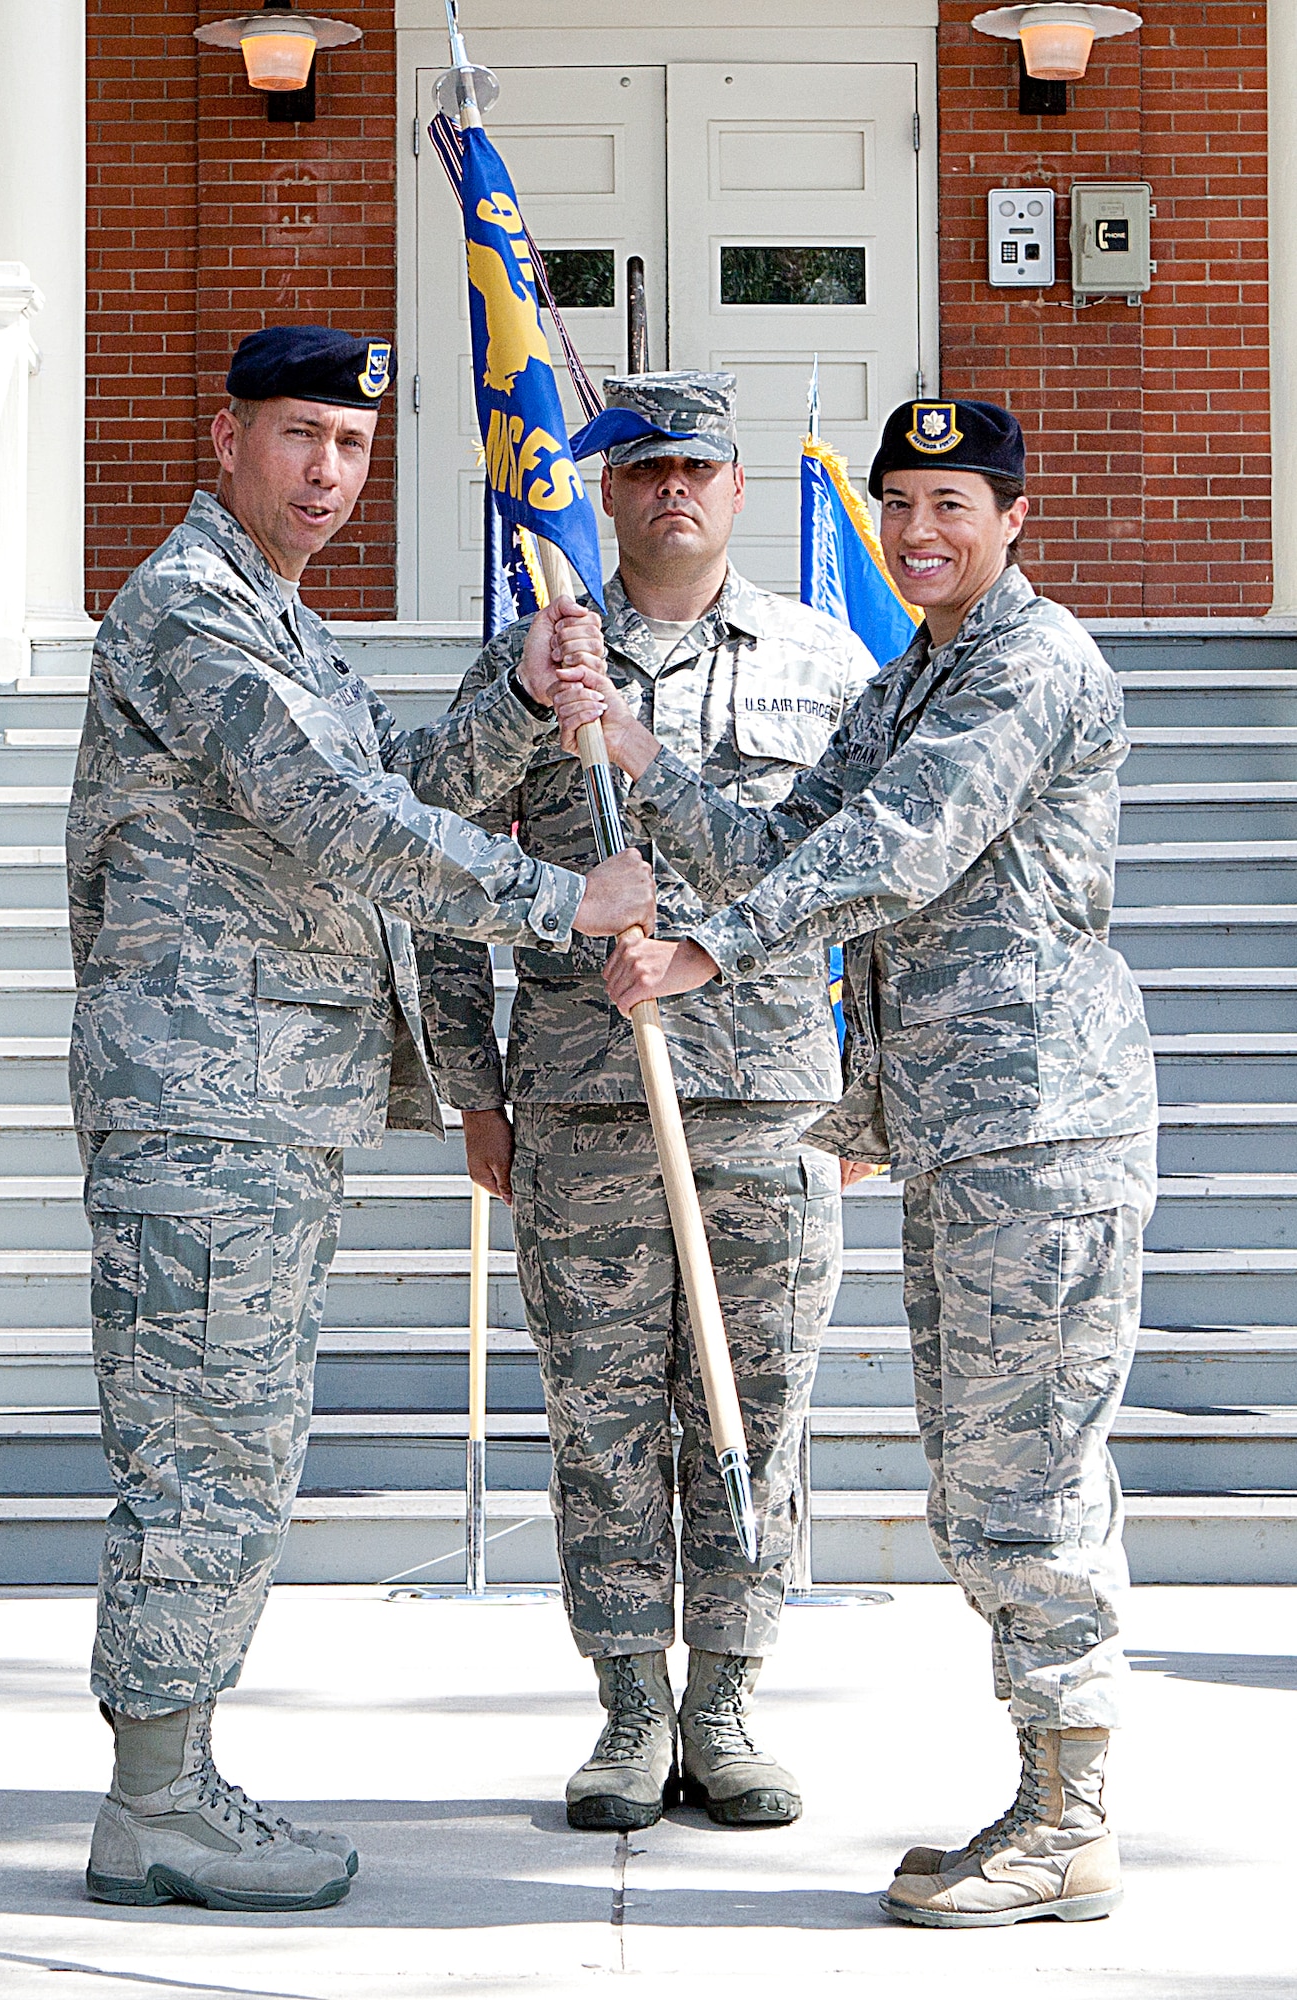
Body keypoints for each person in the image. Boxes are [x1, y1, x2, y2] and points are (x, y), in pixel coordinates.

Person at [69, 325, 652, 1913]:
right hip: (205, 1104)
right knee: (206, 1455)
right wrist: (561, 901)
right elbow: (335, 818)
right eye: (300, 437)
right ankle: (157, 1806)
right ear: (226, 438)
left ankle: (174, 1776)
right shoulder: (191, 610)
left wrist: (520, 696)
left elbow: (388, 774)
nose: (329, 473)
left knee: (235, 1449)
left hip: (266, 1102)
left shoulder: (282, 626)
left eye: (352, 446)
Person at [560, 397, 1158, 1926]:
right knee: (976, 1482)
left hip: (1044, 1126)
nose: (916, 533)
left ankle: (1070, 1820)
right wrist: (636, 750)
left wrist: (707, 948)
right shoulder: (912, 679)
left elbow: (895, 847)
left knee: (1029, 1480)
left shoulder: (1024, 666)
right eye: (897, 504)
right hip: (961, 1132)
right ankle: (1039, 1800)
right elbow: (789, 841)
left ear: (1012, 515)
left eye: (952, 504)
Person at [417, 372, 877, 1835]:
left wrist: (868, 1089)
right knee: (601, 1418)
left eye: (696, 467)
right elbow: (431, 863)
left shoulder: (821, 662)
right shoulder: (532, 662)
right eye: (642, 469)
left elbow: (864, 880)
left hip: (767, 1106)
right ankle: (626, 1712)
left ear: (739, 489)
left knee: (759, 1409)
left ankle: (727, 1706)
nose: (670, 490)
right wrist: (470, 1087)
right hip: (582, 1104)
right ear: (603, 493)